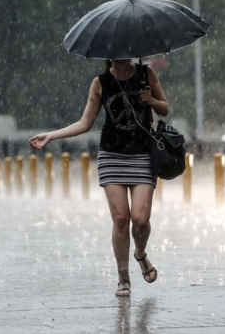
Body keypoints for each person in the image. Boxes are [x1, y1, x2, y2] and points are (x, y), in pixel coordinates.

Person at [29, 59, 169, 297]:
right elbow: (85, 123)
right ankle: (123, 277)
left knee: (141, 219)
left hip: (142, 155)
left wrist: (151, 101)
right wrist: (51, 136)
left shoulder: (147, 74)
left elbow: (165, 108)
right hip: (111, 156)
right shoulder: (101, 82)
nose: (119, 55)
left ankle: (140, 254)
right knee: (122, 218)